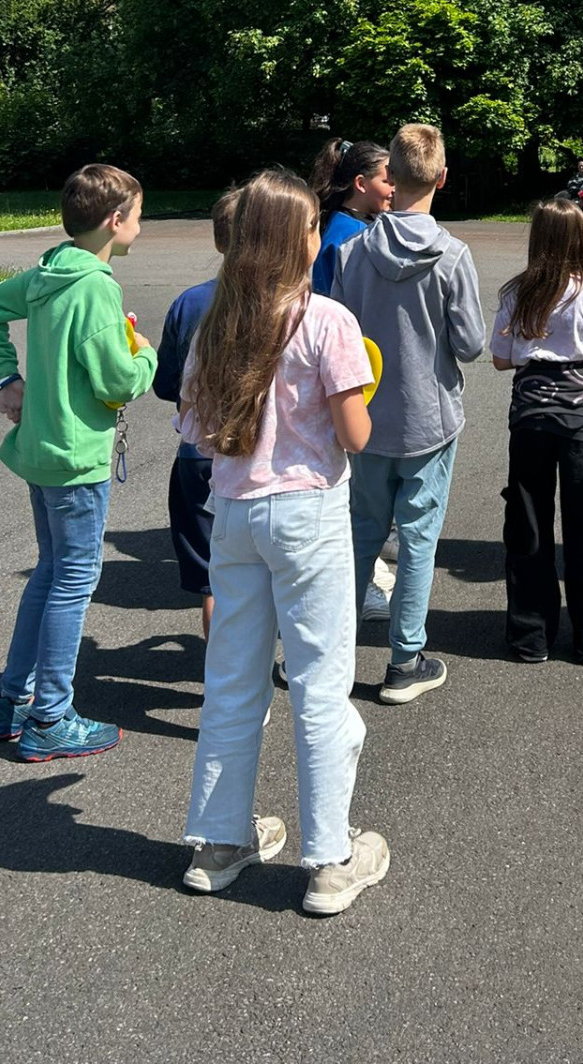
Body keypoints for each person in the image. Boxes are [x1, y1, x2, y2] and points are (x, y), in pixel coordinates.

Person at [179, 168, 389, 915]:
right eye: (311, 227)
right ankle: (330, 857)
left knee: (233, 680)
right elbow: (355, 435)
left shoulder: (218, 324)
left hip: (234, 513)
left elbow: (195, 429)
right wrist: (360, 391)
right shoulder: (326, 320)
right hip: (308, 513)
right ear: (296, 240)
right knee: (320, 684)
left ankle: (218, 841)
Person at [0, 162, 157, 762]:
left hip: (43, 452)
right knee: (74, 579)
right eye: (139, 216)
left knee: (51, 572)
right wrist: (145, 354)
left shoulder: (49, 270)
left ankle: (13, 701)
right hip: (76, 459)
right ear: (115, 220)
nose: (140, 226)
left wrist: (7, 377)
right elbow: (117, 381)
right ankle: (50, 715)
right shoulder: (97, 286)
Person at [332, 123, 484, 704]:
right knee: (418, 539)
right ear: (442, 178)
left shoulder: (351, 252)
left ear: (390, 176)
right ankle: (404, 660)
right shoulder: (452, 255)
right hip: (428, 418)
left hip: (366, 417)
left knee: (360, 534)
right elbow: (470, 343)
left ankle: (331, 652)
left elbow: (337, 336)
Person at [492, 198, 583, 664]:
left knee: (528, 526)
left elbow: (501, 359)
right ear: (579, 241)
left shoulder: (516, 292)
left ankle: (530, 636)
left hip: (529, 419)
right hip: (579, 422)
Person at [308, 136, 398, 623]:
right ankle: (359, 586)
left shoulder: (345, 228)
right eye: (387, 178)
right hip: (347, 373)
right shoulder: (348, 238)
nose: (394, 187)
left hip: (346, 368)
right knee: (351, 488)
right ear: (360, 184)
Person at [154, 186, 241, 639]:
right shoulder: (284, 302)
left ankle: (222, 672)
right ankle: (265, 665)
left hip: (197, 453)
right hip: (259, 457)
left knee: (213, 581)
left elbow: (165, 383)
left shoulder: (189, 302)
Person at [308, 137, 393, 297]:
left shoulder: (337, 221)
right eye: (388, 182)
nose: (394, 189)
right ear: (361, 184)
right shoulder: (356, 235)